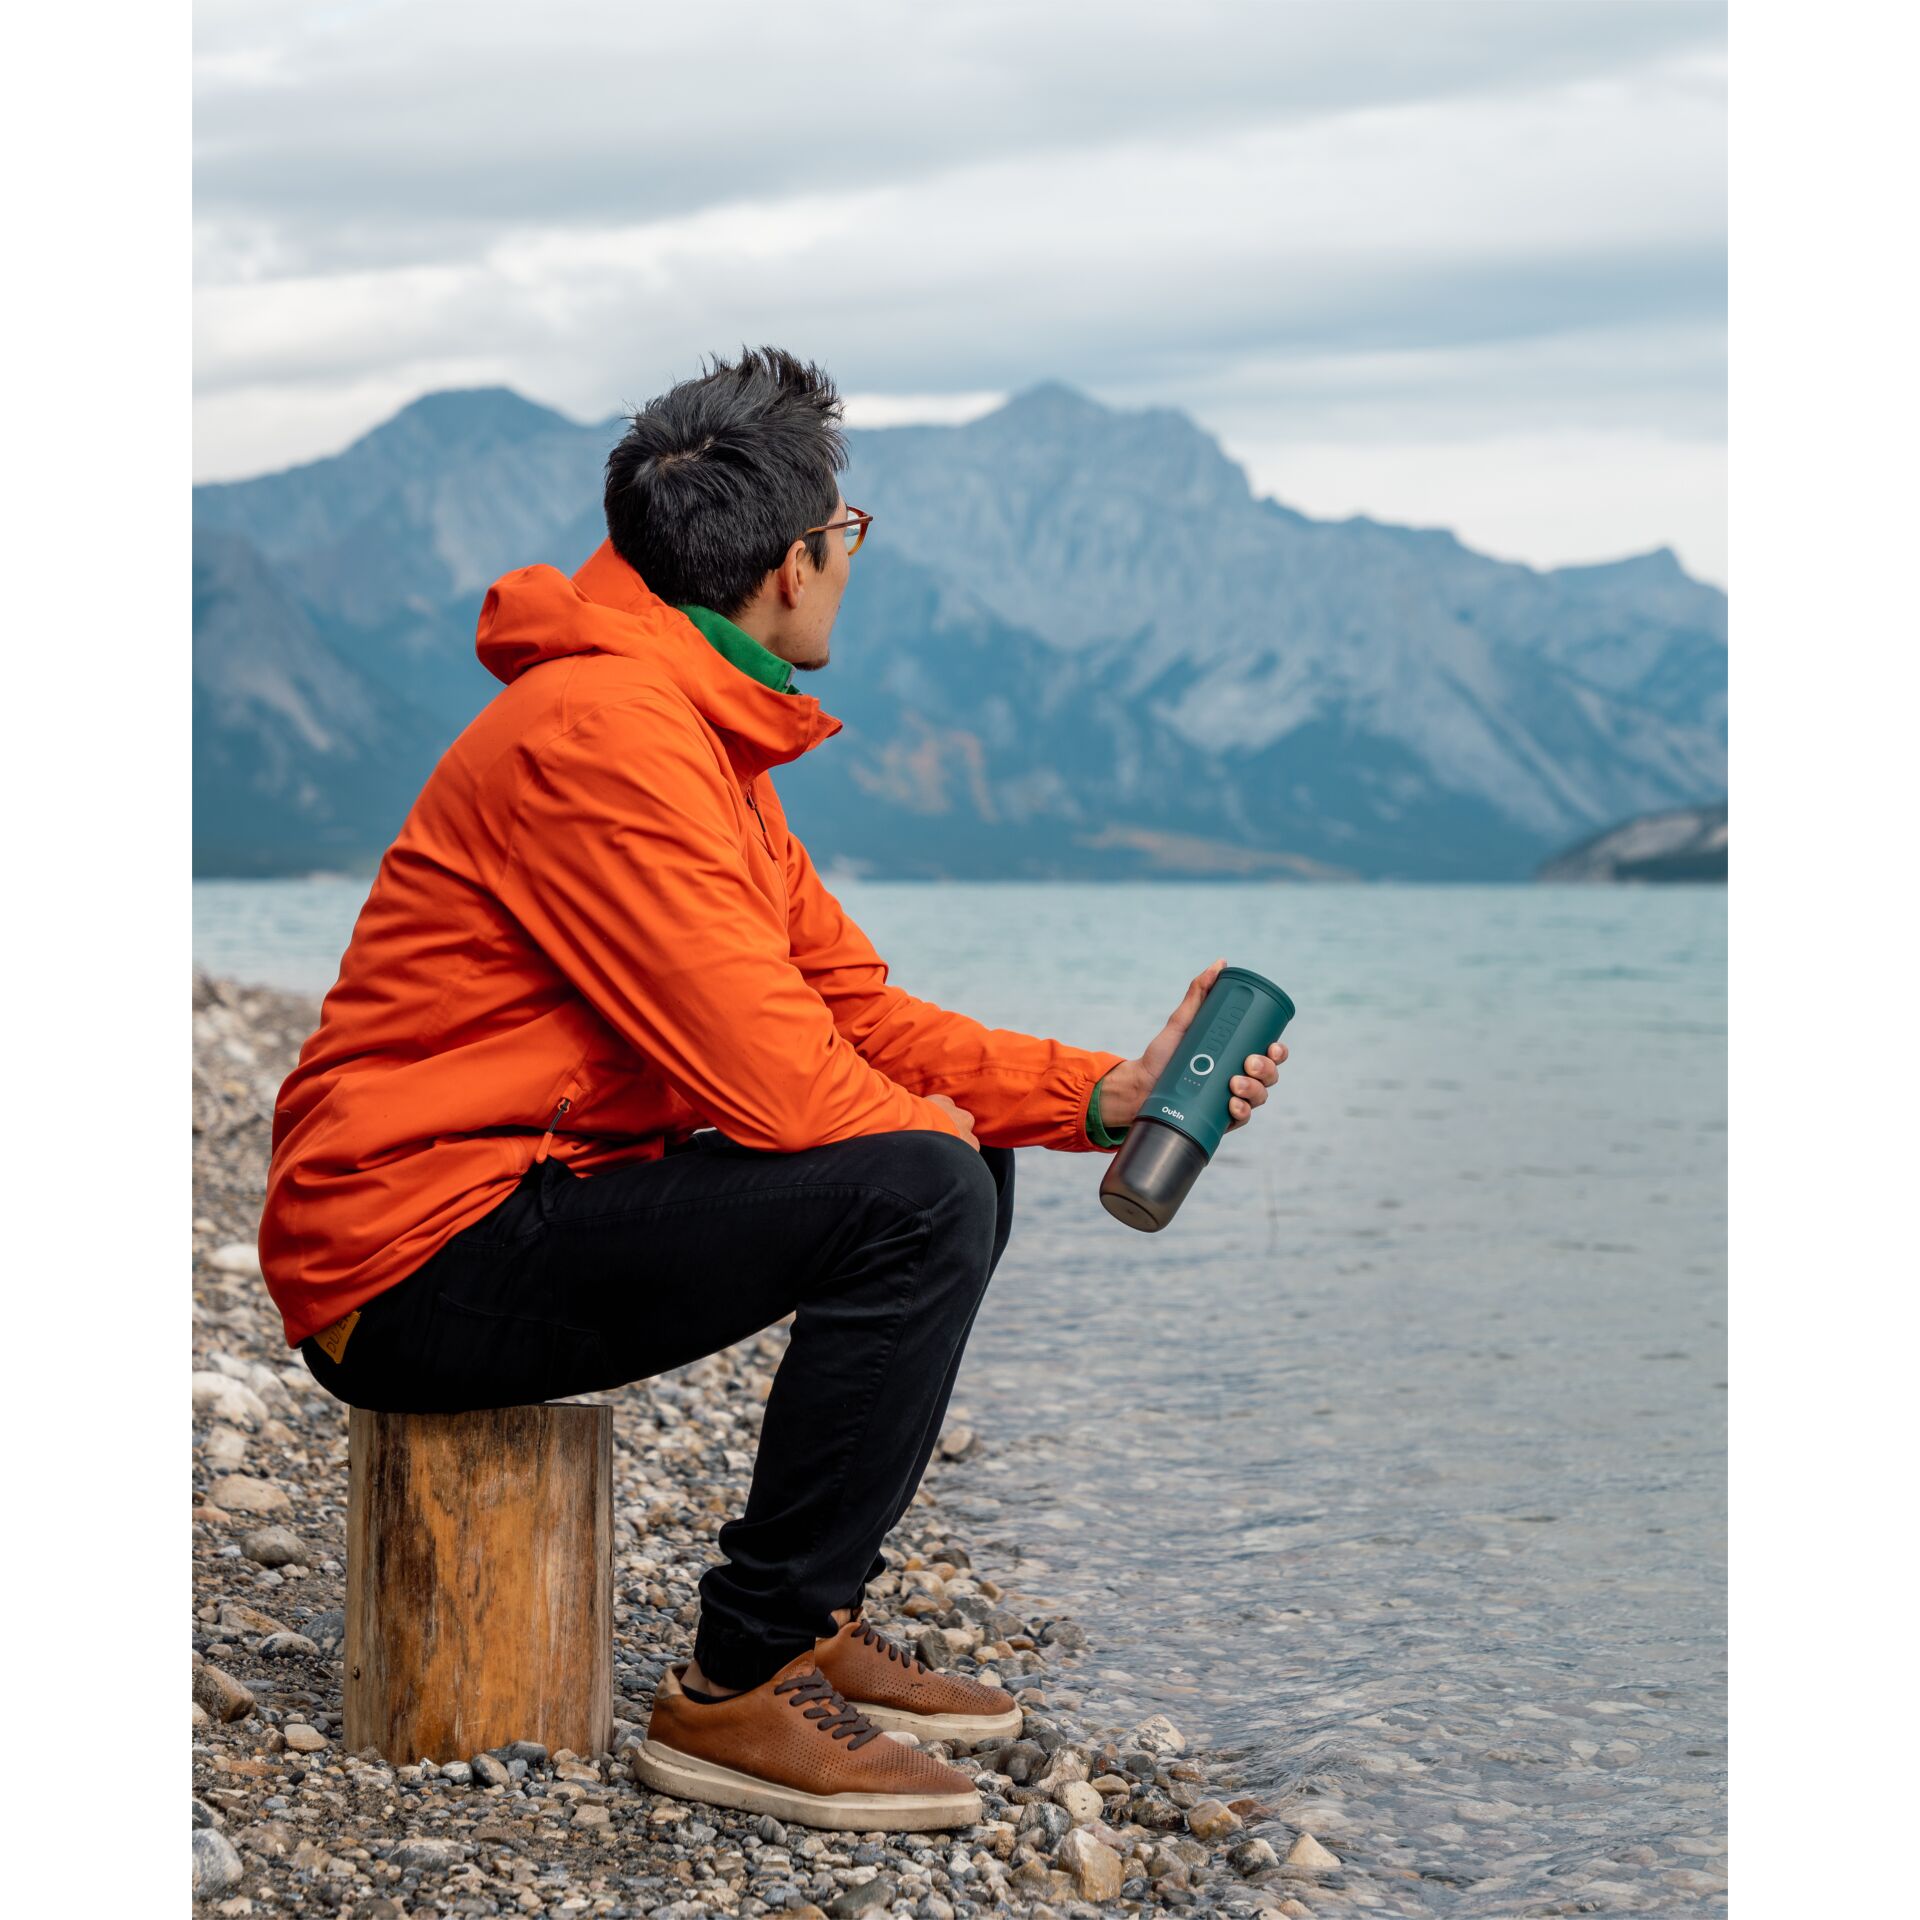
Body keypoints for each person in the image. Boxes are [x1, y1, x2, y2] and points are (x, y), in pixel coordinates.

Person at [258, 345, 1288, 1832]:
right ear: (797, 564)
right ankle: (737, 1688)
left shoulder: (692, 736)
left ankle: (802, 1628)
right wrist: (945, 1139)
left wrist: (1103, 1097)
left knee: (953, 1159)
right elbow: (791, 1096)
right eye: (850, 539)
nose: (850, 567)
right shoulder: (606, 735)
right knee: (923, 1181)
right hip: (408, 1255)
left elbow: (856, 1015)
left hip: (526, 1192)